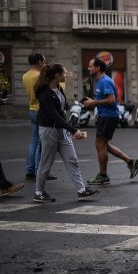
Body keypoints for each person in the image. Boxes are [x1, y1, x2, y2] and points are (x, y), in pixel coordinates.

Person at [33, 63, 99, 202]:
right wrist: (73, 130)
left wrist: (69, 127)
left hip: (61, 130)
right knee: (46, 162)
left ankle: (81, 190)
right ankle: (39, 192)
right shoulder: (44, 92)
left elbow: (61, 111)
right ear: (57, 75)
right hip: (49, 130)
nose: (65, 76)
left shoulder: (58, 89)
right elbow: (53, 115)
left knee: (72, 159)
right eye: (64, 73)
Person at [84, 58, 138, 186]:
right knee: (105, 145)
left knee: (100, 144)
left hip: (108, 116)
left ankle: (103, 176)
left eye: (90, 66)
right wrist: (92, 100)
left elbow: (111, 100)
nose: (88, 68)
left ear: (98, 67)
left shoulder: (105, 81)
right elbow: (104, 98)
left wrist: (94, 102)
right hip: (105, 116)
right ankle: (131, 162)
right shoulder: (99, 81)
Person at [22, 52, 45, 180]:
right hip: (40, 109)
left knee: (34, 140)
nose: (45, 64)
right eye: (44, 61)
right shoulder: (40, 75)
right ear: (39, 61)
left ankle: (30, 170)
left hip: (31, 108)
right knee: (41, 142)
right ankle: (37, 170)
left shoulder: (25, 76)